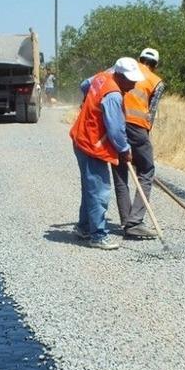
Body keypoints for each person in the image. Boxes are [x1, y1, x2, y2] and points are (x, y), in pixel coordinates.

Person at [70, 57, 145, 250]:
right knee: (99, 190)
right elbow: (116, 129)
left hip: (82, 138)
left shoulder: (101, 77)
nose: (134, 84)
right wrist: (124, 150)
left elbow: (84, 84)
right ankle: (97, 235)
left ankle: (84, 227)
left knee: (90, 187)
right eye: (131, 80)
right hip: (91, 144)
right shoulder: (113, 95)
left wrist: (87, 101)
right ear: (119, 75)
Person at [113, 48, 166, 239]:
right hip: (138, 128)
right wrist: (143, 144)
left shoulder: (122, 71)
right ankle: (135, 221)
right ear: (155, 64)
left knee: (120, 172)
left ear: (140, 59)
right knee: (146, 170)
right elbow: (151, 113)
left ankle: (126, 219)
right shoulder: (157, 81)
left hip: (116, 123)